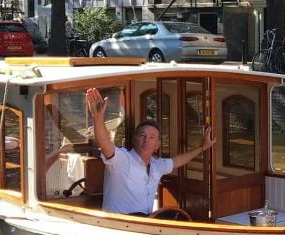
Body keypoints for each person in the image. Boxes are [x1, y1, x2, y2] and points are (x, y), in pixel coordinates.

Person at [85, 87, 215, 216]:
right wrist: (97, 117)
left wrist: (202, 147)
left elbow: (178, 161)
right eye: (142, 136)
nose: (146, 140)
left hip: (146, 222)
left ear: (157, 145)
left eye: (152, 137)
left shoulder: (157, 166)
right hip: (120, 225)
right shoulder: (122, 159)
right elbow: (104, 144)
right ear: (134, 139)